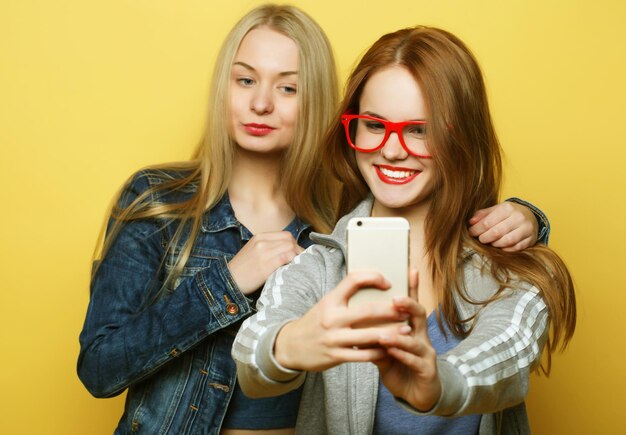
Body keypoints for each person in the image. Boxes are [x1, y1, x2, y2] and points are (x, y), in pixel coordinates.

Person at [77, 4, 546, 433]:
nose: (261, 103)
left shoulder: (328, 219)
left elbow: (500, 322)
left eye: (288, 87)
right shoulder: (165, 202)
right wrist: (229, 286)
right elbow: (106, 366)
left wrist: (530, 219)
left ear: (319, 102)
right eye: (245, 80)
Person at [232, 26, 576, 435]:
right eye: (375, 125)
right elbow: (252, 355)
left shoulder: (512, 268)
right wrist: (287, 346)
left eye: (419, 130)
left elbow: (508, 354)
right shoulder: (317, 268)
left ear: (462, 138)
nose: (392, 150)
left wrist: (438, 383)